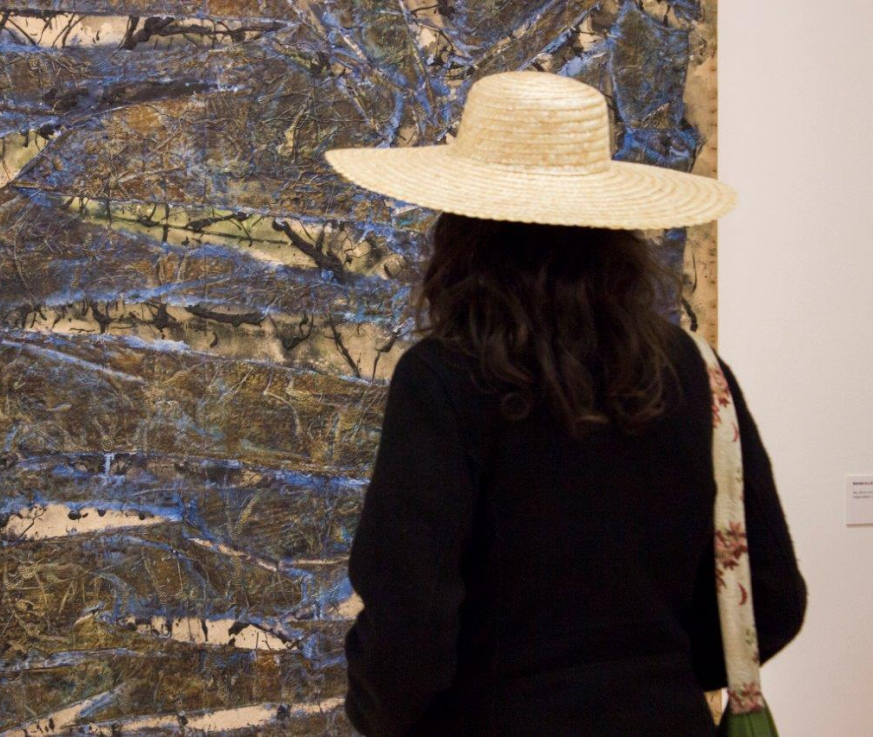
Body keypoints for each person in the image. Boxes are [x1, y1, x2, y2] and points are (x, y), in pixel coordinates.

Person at [322, 71, 807, 735]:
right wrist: (651, 677)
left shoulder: (442, 380)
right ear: (614, 229)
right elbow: (771, 600)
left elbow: (411, 627)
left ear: (462, 229)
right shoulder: (697, 373)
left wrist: (379, 712)